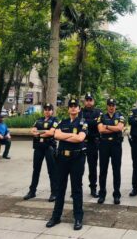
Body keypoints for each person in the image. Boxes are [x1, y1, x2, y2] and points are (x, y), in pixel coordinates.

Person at [46, 99, 87, 230]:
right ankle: (56, 216)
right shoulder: (62, 122)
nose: (73, 108)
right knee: (60, 188)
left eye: (76, 106)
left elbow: (80, 138)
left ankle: (78, 218)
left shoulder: (82, 122)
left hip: (77, 158)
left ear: (79, 109)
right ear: (68, 109)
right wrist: (71, 135)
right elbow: (56, 135)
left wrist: (64, 135)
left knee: (76, 189)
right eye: (71, 106)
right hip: (62, 158)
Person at [23, 103, 59, 202]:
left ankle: (54, 193)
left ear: (52, 111)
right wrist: (43, 133)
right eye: (45, 109)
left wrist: (38, 133)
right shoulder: (38, 120)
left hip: (49, 147)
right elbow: (32, 130)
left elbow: (51, 132)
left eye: (49, 109)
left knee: (52, 171)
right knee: (36, 170)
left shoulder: (55, 120)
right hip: (38, 147)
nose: (47, 111)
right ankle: (32, 191)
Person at [97, 98, 125, 205]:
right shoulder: (101, 116)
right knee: (103, 170)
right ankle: (102, 194)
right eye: (109, 105)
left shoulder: (120, 116)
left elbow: (119, 128)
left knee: (116, 170)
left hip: (116, 145)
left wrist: (107, 126)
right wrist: (114, 128)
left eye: (113, 105)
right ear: (107, 106)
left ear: (115, 106)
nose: (111, 107)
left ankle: (116, 195)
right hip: (104, 145)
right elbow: (100, 130)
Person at [78, 93, 102, 198]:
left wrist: (86, 122)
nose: (88, 101)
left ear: (93, 101)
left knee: (93, 167)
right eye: (86, 100)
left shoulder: (98, 112)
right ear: (84, 101)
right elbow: (78, 124)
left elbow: (98, 124)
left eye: (90, 100)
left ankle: (93, 188)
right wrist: (92, 122)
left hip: (93, 143)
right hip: (81, 142)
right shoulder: (80, 112)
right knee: (78, 167)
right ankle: (77, 188)